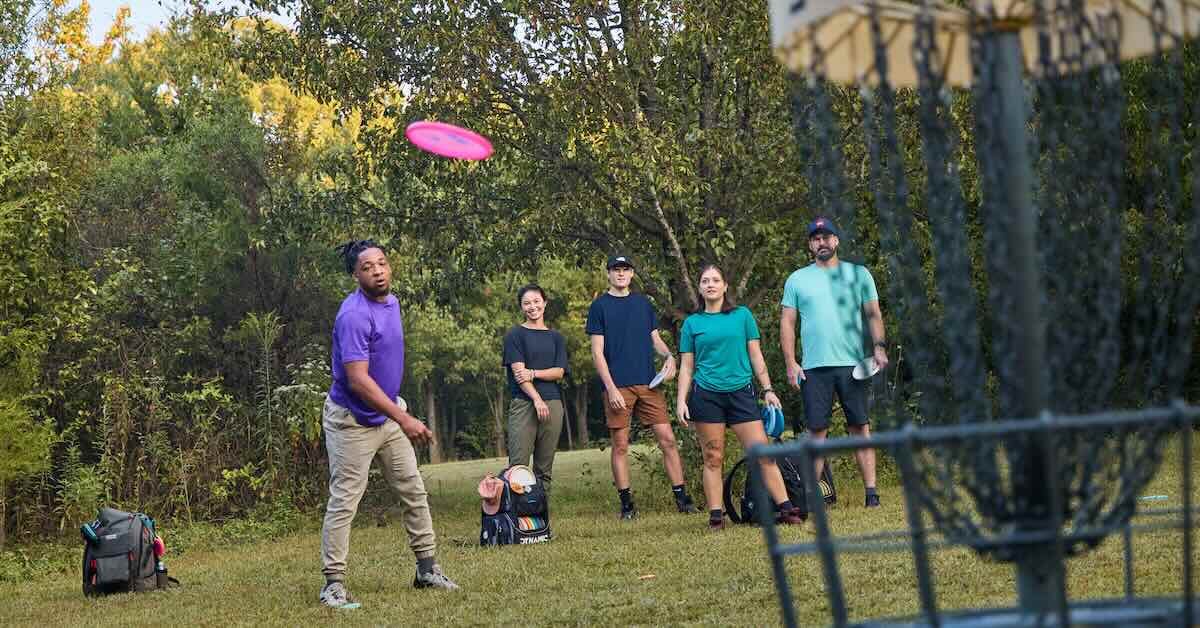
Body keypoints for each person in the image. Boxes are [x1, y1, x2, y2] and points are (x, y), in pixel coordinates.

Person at [319, 240, 459, 609]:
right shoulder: (352, 315)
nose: (378, 271)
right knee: (345, 501)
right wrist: (405, 417)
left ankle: (427, 569)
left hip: (387, 415)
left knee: (413, 490)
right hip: (352, 421)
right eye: (368, 267)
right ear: (355, 274)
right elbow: (358, 380)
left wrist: (396, 411)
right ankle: (333, 584)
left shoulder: (392, 303)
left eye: (382, 263)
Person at [676, 263, 806, 531]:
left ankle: (786, 508)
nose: (710, 284)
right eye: (705, 281)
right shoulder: (692, 324)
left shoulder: (742, 316)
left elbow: (756, 355)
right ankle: (716, 516)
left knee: (763, 454)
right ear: (700, 288)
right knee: (713, 457)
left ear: (725, 286)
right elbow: (687, 366)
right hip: (706, 396)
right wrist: (681, 400)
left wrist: (768, 389)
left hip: (741, 394)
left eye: (715, 280)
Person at [779, 217, 889, 508]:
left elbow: (874, 314)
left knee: (860, 426)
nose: (822, 242)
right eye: (816, 238)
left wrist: (879, 347)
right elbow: (788, 323)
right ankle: (811, 497)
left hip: (854, 365)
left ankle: (872, 493)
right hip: (814, 367)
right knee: (817, 430)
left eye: (827, 237)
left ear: (836, 241)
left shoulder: (859, 274)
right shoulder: (797, 279)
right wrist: (791, 362)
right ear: (810, 245)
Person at [586, 255, 696, 519]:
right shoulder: (599, 306)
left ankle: (682, 499)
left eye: (625, 269)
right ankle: (627, 505)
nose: (621, 274)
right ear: (609, 274)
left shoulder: (642, 304)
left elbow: (655, 339)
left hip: (648, 384)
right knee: (621, 445)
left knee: (668, 439)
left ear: (632, 274)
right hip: (618, 386)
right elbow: (597, 353)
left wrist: (669, 357)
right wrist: (610, 388)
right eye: (616, 269)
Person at [502, 284, 568, 494]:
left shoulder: (556, 337)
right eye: (527, 303)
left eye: (536, 301)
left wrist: (534, 373)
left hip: (553, 404)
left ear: (545, 303)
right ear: (522, 307)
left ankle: (540, 517)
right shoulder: (515, 335)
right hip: (524, 404)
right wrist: (537, 399)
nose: (533, 307)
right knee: (518, 466)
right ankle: (517, 518)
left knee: (544, 468)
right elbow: (519, 374)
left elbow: (559, 372)